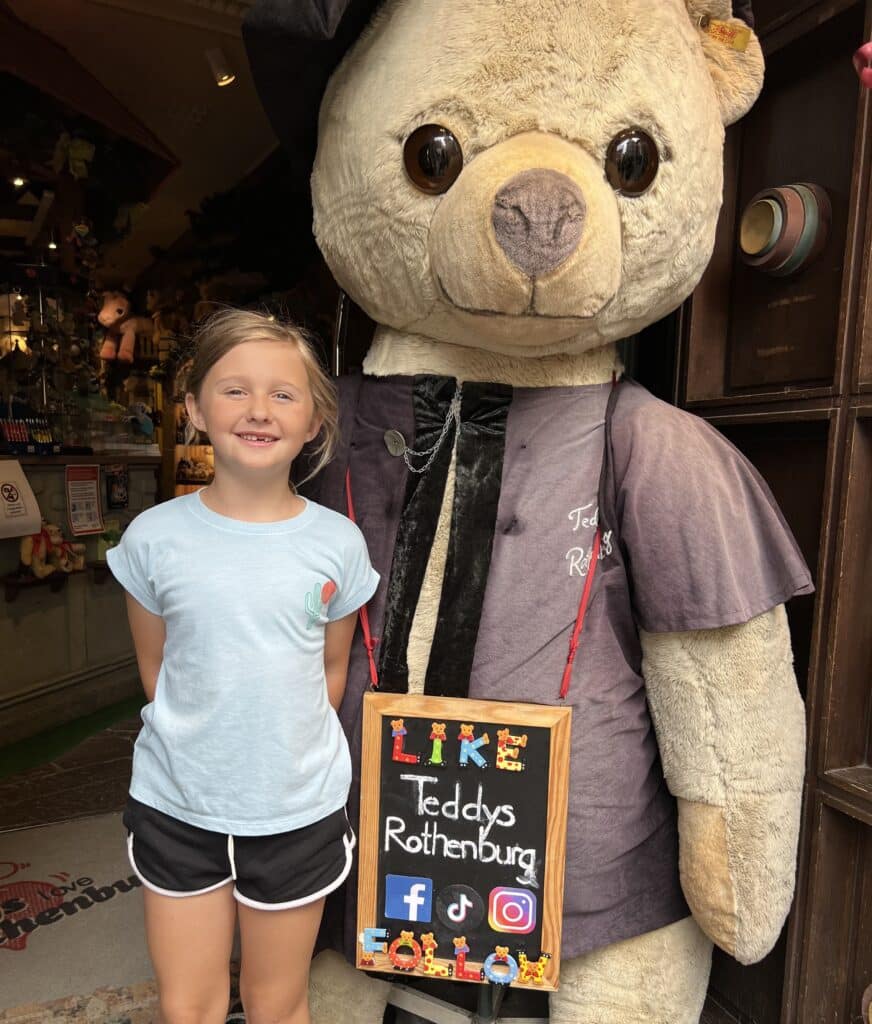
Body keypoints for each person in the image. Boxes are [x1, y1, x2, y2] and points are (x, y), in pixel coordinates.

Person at [107, 309, 379, 1024]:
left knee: (278, 1002)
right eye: (234, 390)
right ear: (194, 408)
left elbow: (330, 671)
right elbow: (157, 668)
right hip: (177, 804)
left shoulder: (339, 544)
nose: (259, 411)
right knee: (188, 1006)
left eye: (283, 395)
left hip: (296, 808)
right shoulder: (153, 539)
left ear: (315, 419)